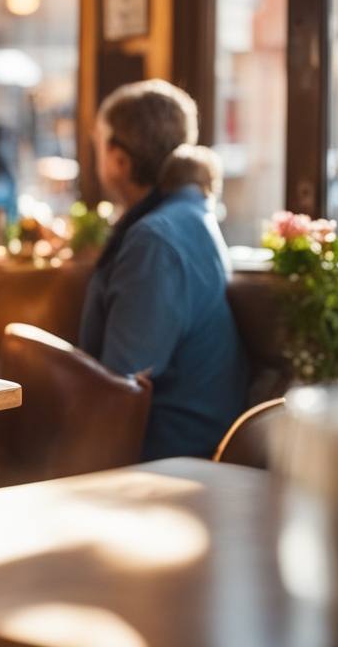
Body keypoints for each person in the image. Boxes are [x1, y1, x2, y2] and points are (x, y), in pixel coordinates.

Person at [80, 80, 247, 460]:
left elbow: (121, 386)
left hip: (165, 451)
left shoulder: (154, 241)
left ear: (120, 160)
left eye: (98, 145)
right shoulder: (185, 213)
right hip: (175, 440)